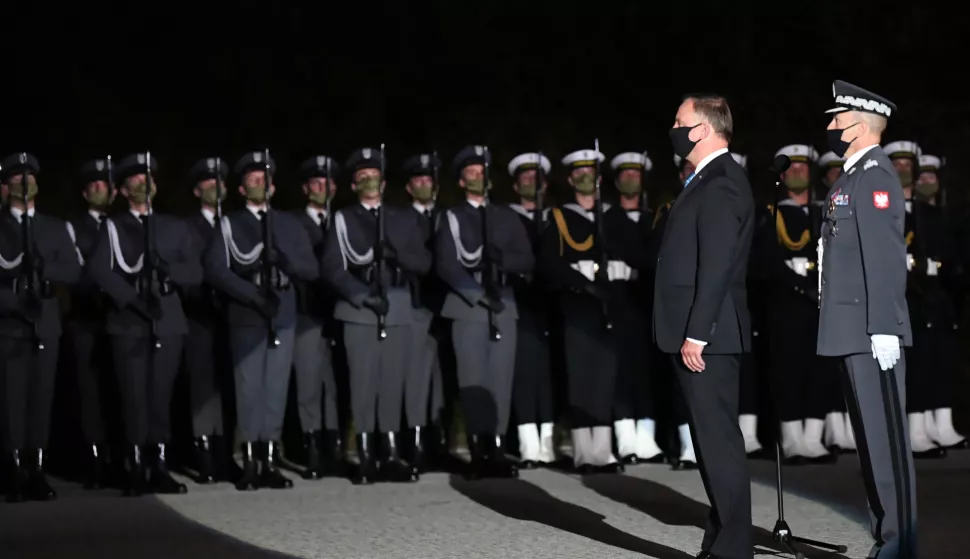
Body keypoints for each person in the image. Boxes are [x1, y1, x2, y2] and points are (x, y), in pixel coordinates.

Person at [653, 94, 755, 559]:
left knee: (718, 444)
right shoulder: (706, 179)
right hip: (699, 332)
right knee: (710, 442)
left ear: (704, 129)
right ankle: (722, 539)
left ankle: (733, 548)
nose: (674, 129)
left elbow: (716, 266)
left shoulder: (721, 183)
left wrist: (698, 333)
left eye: (680, 121)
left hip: (707, 336)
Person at [818, 80, 915, 559]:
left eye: (837, 119)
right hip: (850, 329)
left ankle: (900, 542)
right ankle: (886, 538)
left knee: (887, 445)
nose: (831, 127)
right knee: (870, 445)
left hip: (871, 331)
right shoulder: (851, 178)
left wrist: (885, 326)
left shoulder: (875, 177)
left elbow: (884, 258)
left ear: (857, 126)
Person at [87, 153, 201, 496]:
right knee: (133, 397)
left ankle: (159, 465)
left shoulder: (174, 227)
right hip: (129, 322)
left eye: (147, 178)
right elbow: (99, 270)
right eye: (135, 180)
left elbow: (195, 272)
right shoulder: (113, 227)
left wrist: (168, 271)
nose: (143, 184)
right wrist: (131, 298)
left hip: (167, 320)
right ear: (123, 191)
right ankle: (135, 466)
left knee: (161, 397)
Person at [204, 151, 319, 491]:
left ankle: (270, 458)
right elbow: (216, 269)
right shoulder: (230, 224)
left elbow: (311, 269)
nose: (259, 184)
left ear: (273, 187)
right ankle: (251, 462)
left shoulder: (289, 224)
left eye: (264, 179)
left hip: (282, 313)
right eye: (252, 180)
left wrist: (286, 261)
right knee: (249, 389)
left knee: (276, 390)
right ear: (241, 189)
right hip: (248, 314)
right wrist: (251, 295)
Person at [321, 147, 430, 484]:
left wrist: (396, 256)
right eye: (362, 177)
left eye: (374, 176)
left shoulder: (403, 218)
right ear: (354, 185)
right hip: (360, 310)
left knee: (393, 384)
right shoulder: (343, 219)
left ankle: (392, 453)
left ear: (383, 183)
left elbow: (423, 263)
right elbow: (333, 269)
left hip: (397, 305)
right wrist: (362, 296)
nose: (370, 182)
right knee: (363, 384)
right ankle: (367, 455)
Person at [435, 145, 533, 479]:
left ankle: (497, 448)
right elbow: (447, 264)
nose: (479, 177)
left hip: (504, 303)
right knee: (473, 379)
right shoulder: (452, 217)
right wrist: (477, 295)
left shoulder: (505, 216)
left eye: (483, 172)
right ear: (462, 181)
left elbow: (526, 258)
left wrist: (502, 261)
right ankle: (477, 450)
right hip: (469, 307)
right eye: (472, 173)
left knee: (500, 381)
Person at [0, 153, 81, 502]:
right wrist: (12, 301)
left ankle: (37, 469)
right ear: (5, 187)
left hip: (45, 322)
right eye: (17, 178)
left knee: (41, 400)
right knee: (11, 401)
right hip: (9, 323)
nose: (25, 183)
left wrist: (45, 268)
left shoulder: (54, 226)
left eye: (30, 177)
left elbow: (73, 271)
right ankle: (13, 470)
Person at [758, 144, 836, 465]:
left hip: (821, 305)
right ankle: (791, 439)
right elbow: (767, 261)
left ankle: (813, 438)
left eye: (803, 167)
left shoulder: (824, 213)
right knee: (788, 371)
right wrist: (801, 287)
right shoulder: (772, 213)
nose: (798, 173)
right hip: (787, 305)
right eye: (791, 168)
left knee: (820, 371)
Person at [884, 141, 959, 458]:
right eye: (897, 165)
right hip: (900, 296)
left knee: (933, 361)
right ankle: (912, 429)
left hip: (929, 296)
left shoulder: (928, 213)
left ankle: (932, 425)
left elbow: (948, 256)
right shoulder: (882, 208)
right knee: (912, 365)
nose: (903, 171)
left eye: (908, 166)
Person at [605, 151, 664, 464]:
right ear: (616, 181)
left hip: (648, 305)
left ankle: (647, 437)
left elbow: (655, 258)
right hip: (618, 306)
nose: (631, 180)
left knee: (648, 372)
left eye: (636, 175)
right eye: (625, 175)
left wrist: (636, 264)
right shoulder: (606, 219)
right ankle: (626, 438)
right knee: (621, 372)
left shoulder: (654, 219)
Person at [65, 158, 120, 488]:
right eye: (95, 186)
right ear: (85, 193)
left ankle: (121, 456)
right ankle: (95, 459)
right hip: (88, 319)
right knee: (90, 393)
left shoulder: (124, 224)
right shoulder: (75, 228)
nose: (102, 190)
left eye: (106, 185)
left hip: (121, 319)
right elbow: (77, 275)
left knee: (120, 390)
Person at [291, 155, 343, 478]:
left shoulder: (344, 221)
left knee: (334, 384)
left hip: (340, 314)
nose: (322, 188)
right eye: (316, 183)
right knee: (309, 382)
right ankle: (311, 447)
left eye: (327, 183)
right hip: (307, 312)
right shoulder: (294, 223)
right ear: (305, 188)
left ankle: (333, 447)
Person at [505, 151, 557, 467]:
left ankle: (548, 443)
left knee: (549, 375)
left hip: (552, 304)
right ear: (515, 186)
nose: (529, 183)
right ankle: (527, 444)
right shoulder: (507, 218)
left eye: (534, 178)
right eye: (523, 178)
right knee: (525, 372)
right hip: (521, 302)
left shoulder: (556, 218)